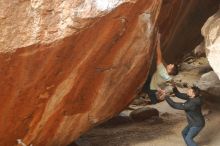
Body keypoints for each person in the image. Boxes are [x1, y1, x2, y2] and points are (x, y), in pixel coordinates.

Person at [146, 34, 178, 104]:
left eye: (171, 65)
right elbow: (171, 80)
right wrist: (174, 86)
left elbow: (159, 56)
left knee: (148, 88)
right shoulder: (169, 76)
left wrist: (158, 42)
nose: (170, 64)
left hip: (152, 86)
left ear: (170, 70)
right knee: (153, 93)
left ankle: (155, 103)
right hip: (156, 86)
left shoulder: (162, 70)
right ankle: (156, 100)